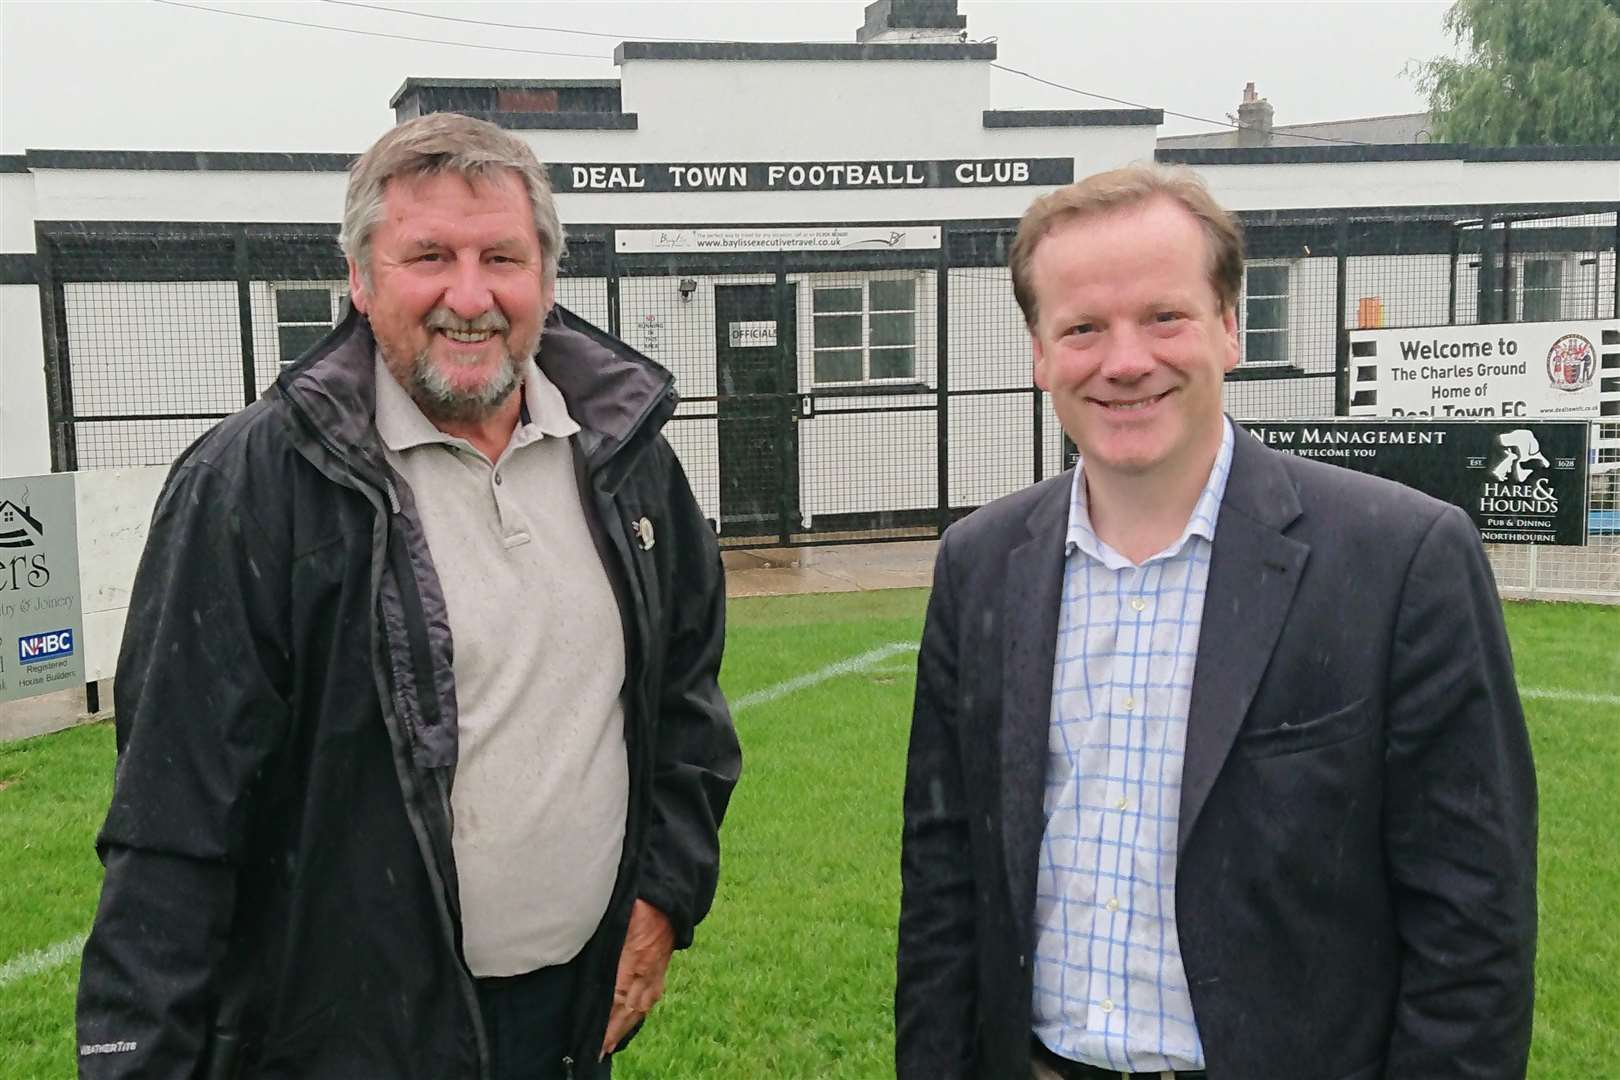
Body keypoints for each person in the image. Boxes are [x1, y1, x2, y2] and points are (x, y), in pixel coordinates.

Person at [75, 112, 740, 1080]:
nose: (468, 296)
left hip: (565, 1031)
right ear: (359, 276)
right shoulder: (253, 488)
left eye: (500, 258)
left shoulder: (626, 461)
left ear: (546, 281)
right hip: (340, 1048)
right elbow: (171, 830)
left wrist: (665, 896)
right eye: (429, 255)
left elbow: (687, 698)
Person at [895, 165, 1537, 1080]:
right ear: (1039, 353)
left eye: (1164, 317)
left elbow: (1475, 923)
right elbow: (944, 886)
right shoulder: (978, 564)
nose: (1124, 360)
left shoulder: (1401, 560)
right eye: (1082, 328)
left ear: (1228, 326)